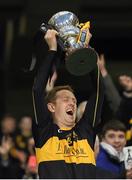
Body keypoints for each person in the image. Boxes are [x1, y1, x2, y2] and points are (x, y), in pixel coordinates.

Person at [32, 26, 106, 178]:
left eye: (74, 100)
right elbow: (37, 90)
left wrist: (86, 50)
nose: (72, 103)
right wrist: (52, 49)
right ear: (51, 107)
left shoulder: (86, 130)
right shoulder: (44, 131)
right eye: (65, 99)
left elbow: (99, 91)